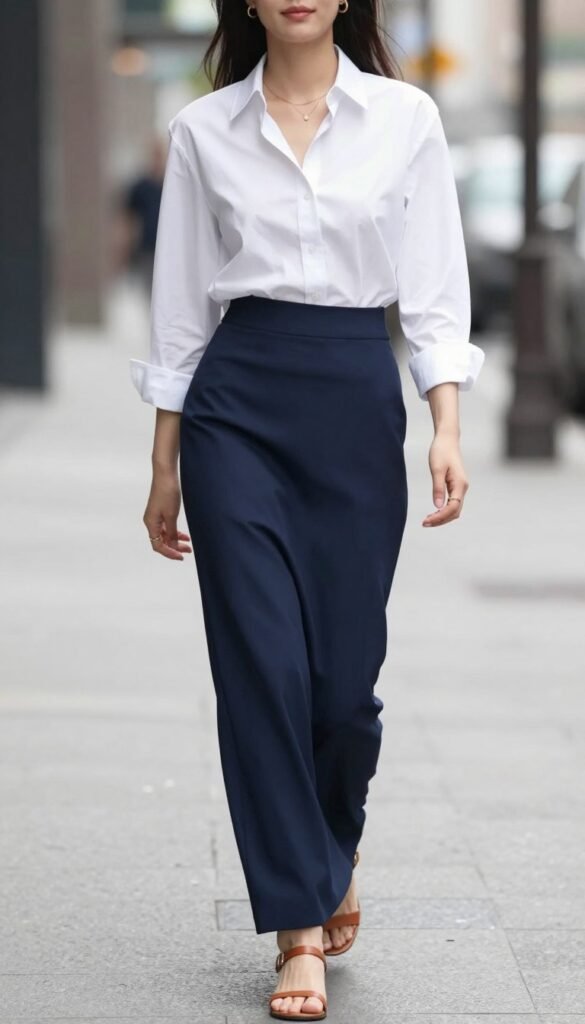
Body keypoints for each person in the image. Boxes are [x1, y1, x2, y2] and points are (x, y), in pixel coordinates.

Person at [129, 2, 485, 1020]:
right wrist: (164, 460)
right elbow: (181, 299)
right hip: (236, 407)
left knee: (342, 683)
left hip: (351, 399)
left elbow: (434, 287)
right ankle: (297, 924)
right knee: (260, 666)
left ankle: (335, 837)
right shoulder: (203, 133)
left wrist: (445, 424)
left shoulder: (405, 120)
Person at [123, 137, 166, 297]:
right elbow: (128, 217)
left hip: (167, 248)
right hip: (147, 248)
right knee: (150, 293)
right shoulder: (141, 186)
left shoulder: (170, 183)